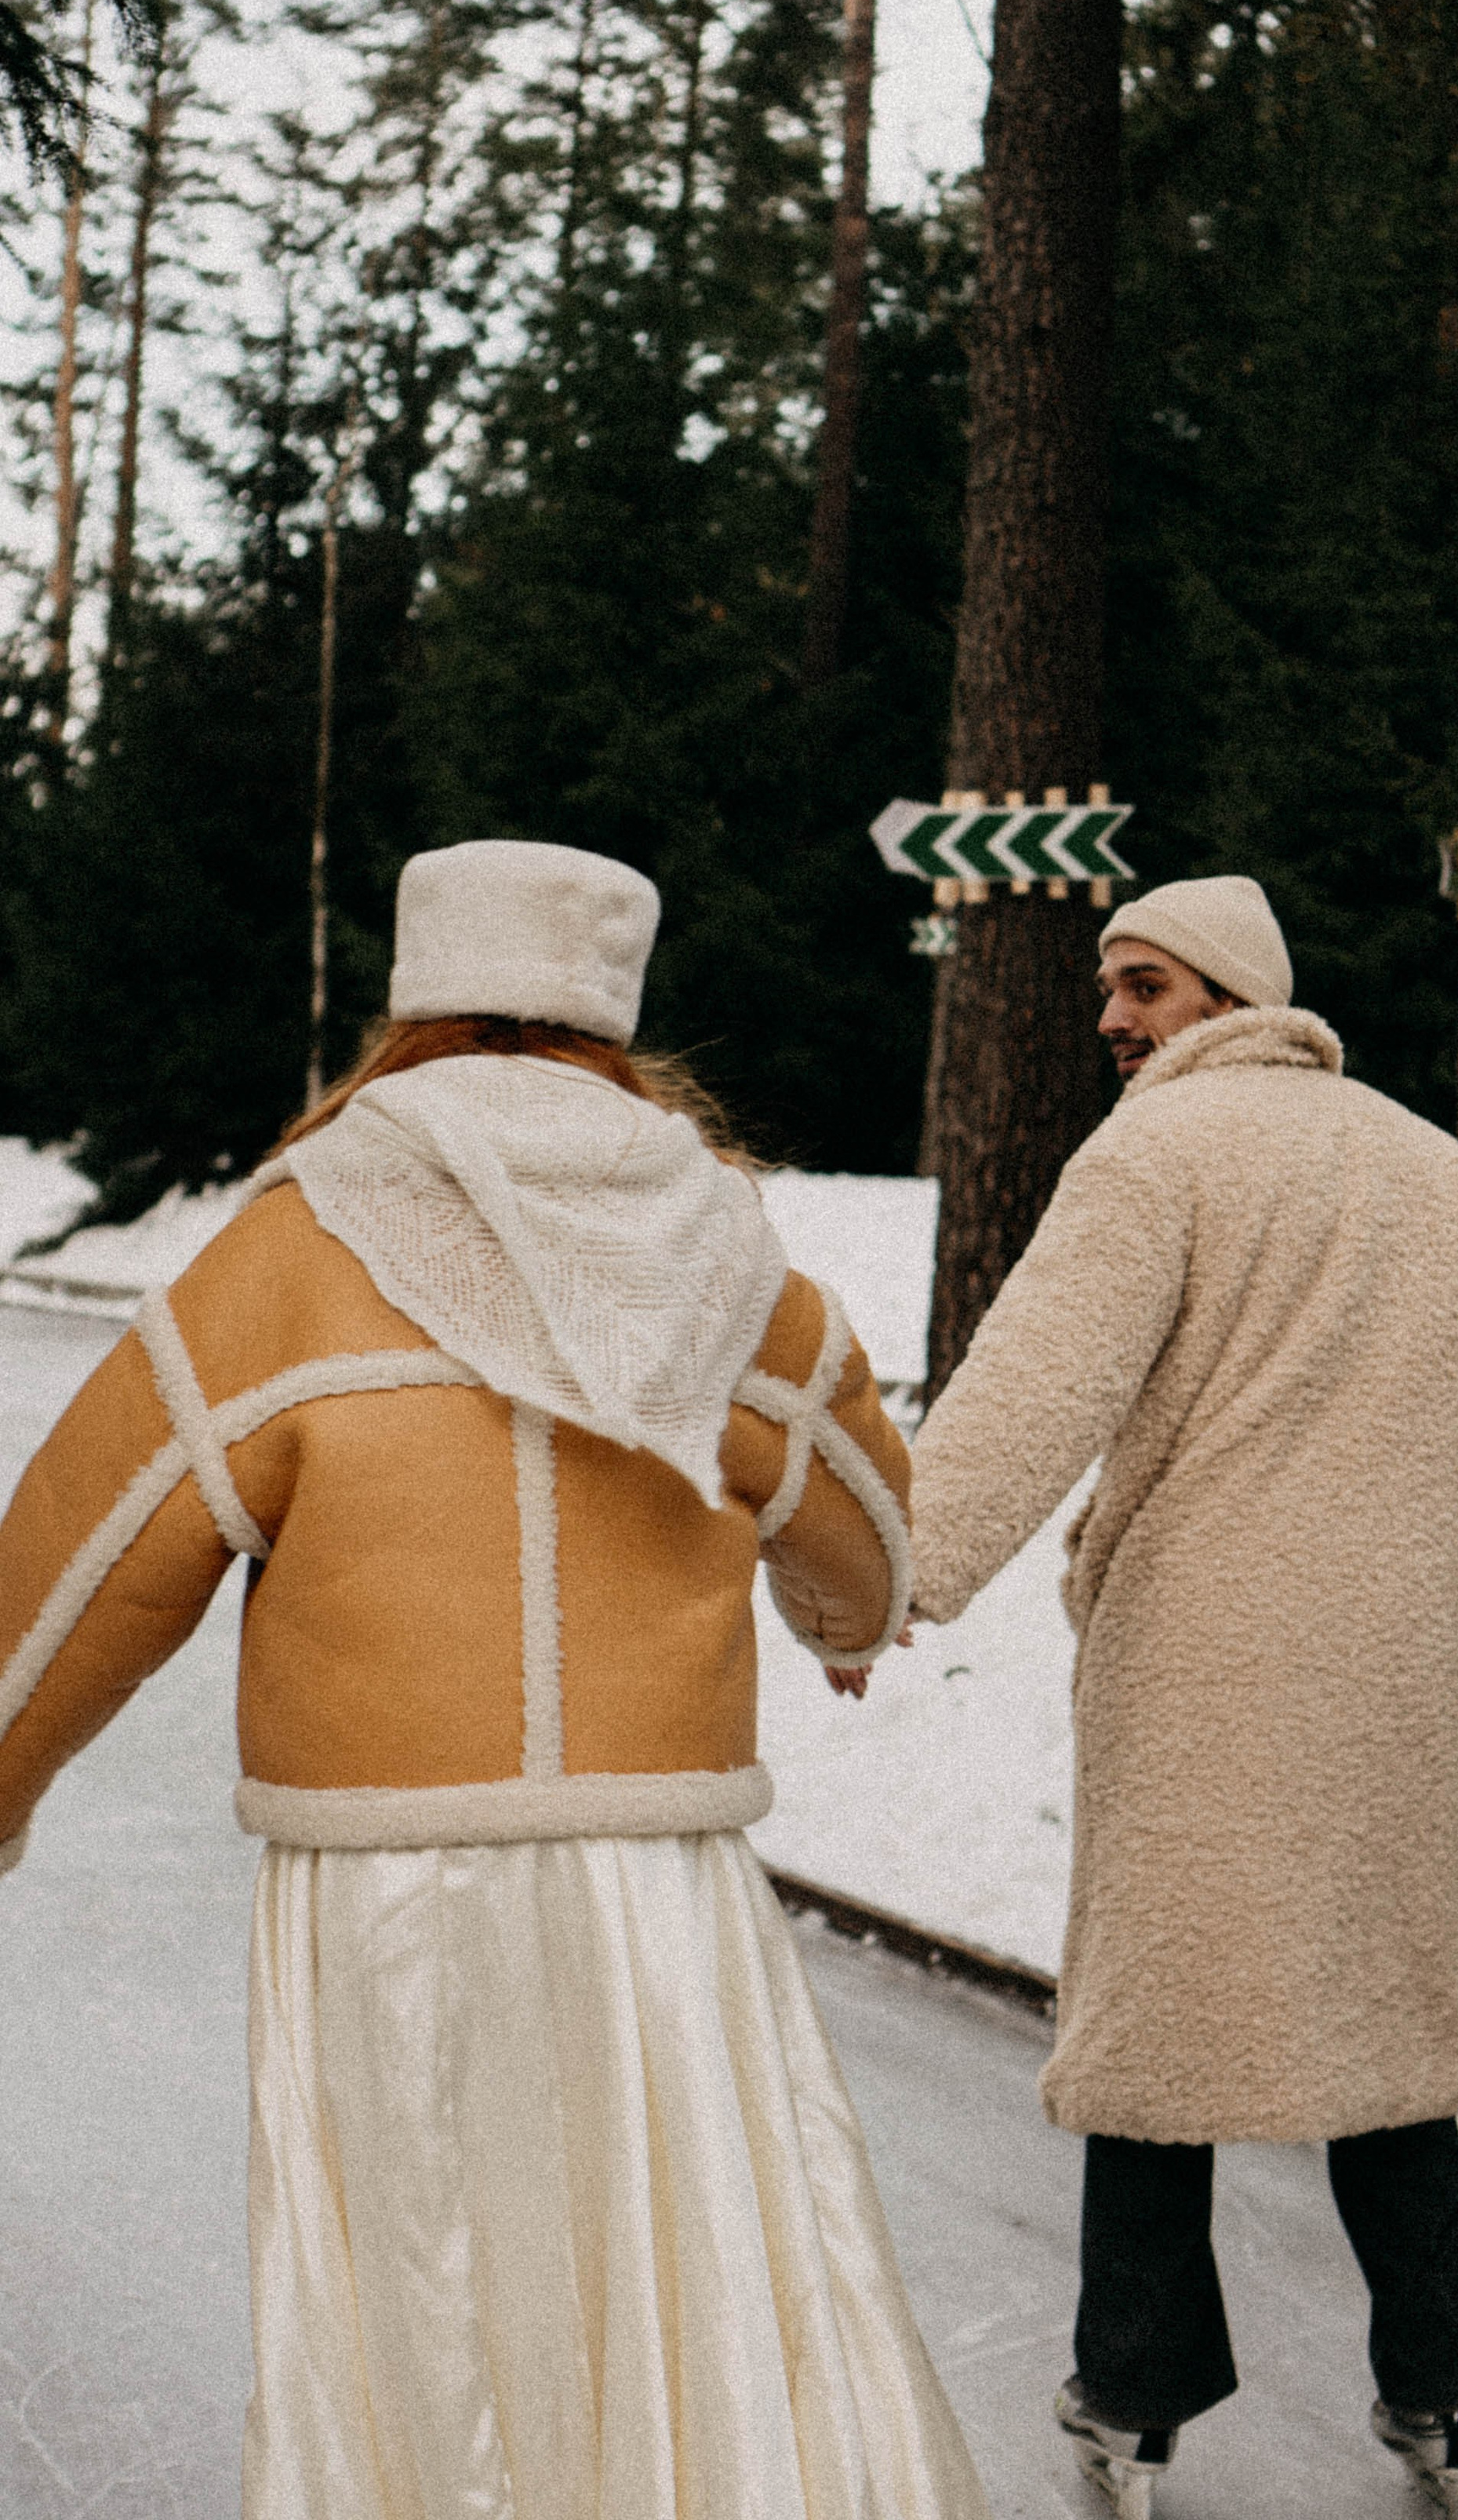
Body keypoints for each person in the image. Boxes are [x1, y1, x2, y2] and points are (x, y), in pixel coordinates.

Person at [0, 839, 992, 2520]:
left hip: (387, 1881)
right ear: (614, 1015)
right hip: (657, 1881)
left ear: (413, 1002)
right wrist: (836, 1623)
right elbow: (869, 1523)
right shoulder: (723, 1253)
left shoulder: (296, 1247)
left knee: (424, 2306)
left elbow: (93, 1551)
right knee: (691, 2289)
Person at [899, 873, 1458, 2520]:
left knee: (1155, 2035)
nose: (1110, 1015)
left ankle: (1132, 2390)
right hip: (1381, 1674)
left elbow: (1036, 1383)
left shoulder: (1153, 1157)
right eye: (1108, 985)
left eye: (1145, 986)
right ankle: (1446, 2388)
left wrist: (893, 1568)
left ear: (1230, 998)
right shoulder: (1423, 1162)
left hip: (1198, 1660)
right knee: (1376, 2026)